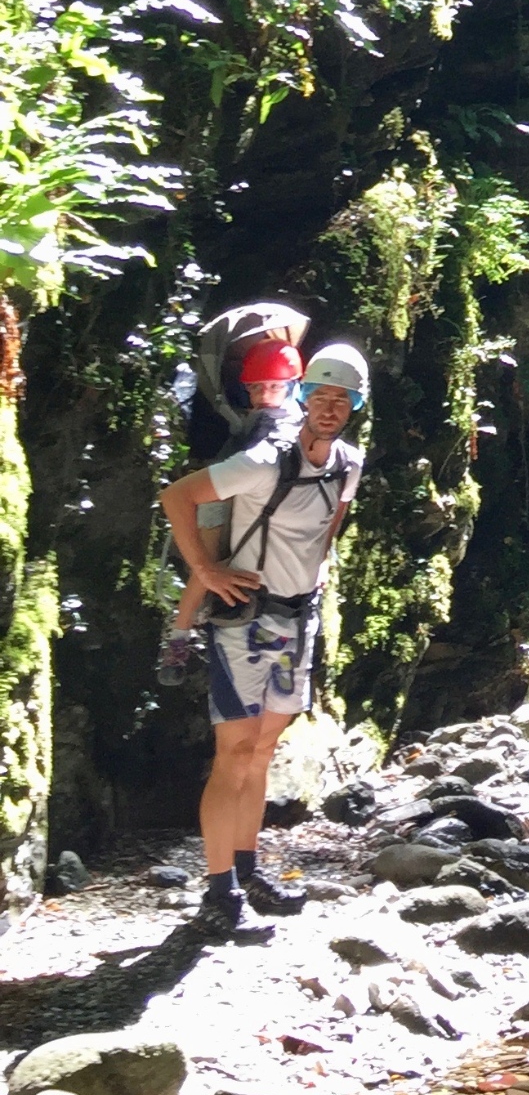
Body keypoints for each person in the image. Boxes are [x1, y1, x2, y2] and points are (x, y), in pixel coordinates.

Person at [158, 341, 369, 934]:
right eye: (320, 396)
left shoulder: (347, 463)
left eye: (341, 399)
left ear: (355, 405)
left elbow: (329, 528)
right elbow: (178, 496)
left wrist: (315, 577)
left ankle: (246, 872)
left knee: (263, 752)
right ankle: (219, 895)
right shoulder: (262, 459)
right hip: (244, 621)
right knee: (235, 755)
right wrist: (207, 572)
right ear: (302, 396)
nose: (329, 408)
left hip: (297, 620)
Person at [157, 337, 304, 687]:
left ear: (292, 386)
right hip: (223, 494)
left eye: (273, 386)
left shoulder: (292, 422)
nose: (265, 395)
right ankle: (179, 636)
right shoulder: (255, 422)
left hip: (257, 501)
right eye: (257, 388)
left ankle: (190, 627)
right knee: (207, 559)